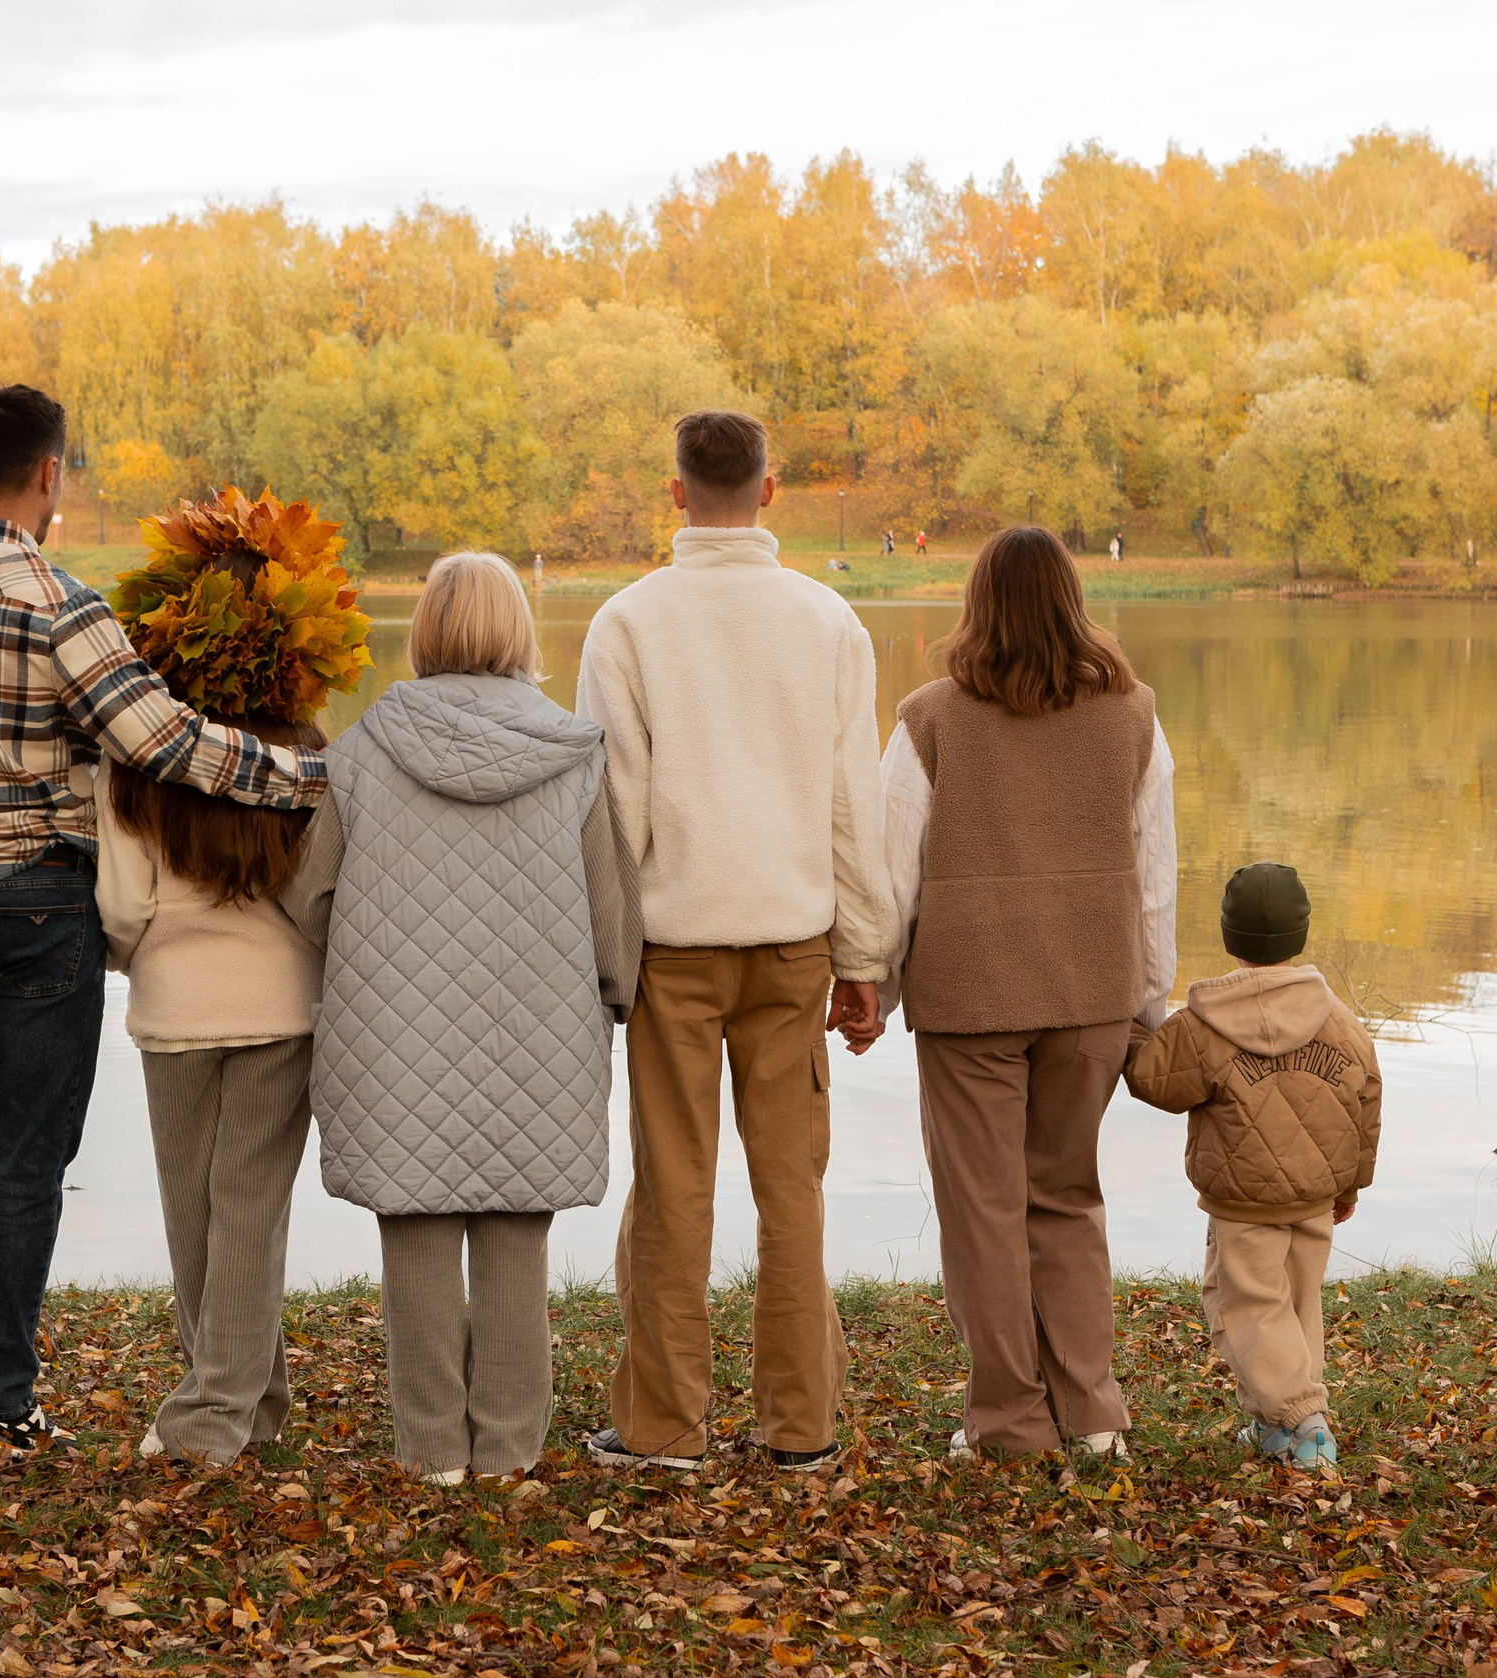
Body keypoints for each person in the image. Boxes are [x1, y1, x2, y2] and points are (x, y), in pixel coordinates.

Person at [0, 385, 325, 1464]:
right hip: (40, 901)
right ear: (49, 475)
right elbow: (164, 742)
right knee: (27, 1157)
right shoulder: (60, 602)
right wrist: (303, 774)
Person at [577, 409, 899, 1474]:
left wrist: (604, 961)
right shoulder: (827, 622)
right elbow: (854, 804)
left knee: (675, 1184)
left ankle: (665, 1426)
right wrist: (864, 957)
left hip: (674, 943)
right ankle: (798, 1422)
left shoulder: (626, 622)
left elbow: (615, 812)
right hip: (794, 941)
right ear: (769, 491)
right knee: (790, 1186)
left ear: (674, 492)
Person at [286, 552, 642, 1484]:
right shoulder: (575, 751)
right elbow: (614, 924)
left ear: (428, 631)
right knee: (517, 1238)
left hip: (395, 1040)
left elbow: (309, 897)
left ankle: (434, 1449)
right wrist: (613, 999)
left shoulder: (361, 751)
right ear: (519, 632)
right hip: (542, 1039)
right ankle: (511, 1448)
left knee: (414, 1236)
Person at [853, 524, 1174, 1463]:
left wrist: (875, 986)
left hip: (970, 1001)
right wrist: (1147, 1001)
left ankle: (1008, 1422)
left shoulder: (928, 720)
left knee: (984, 1211)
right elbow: (1157, 876)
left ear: (977, 605)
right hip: (1092, 994)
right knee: (1067, 1197)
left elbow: (892, 876)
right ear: (1074, 601)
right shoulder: (1137, 717)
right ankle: (1092, 1415)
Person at [95, 487, 369, 1468]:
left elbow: (119, 905)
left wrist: (150, 954)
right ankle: (250, 1399)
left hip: (173, 1006)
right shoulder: (309, 756)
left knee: (197, 1216)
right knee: (248, 1210)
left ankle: (211, 1415)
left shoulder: (132, 764)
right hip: (283, 1004)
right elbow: (330, 882)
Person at [1123, 863, 1381, 1471]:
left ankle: (1304, 1422)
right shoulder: (1344, 1026)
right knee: (1296, 1305)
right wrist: (1351, 1183)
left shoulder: (1205, 1024)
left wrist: (1133, 1028)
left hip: (1242, 1201)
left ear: (1229, 937)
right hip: (1317, 1197)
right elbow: (1366, 1104)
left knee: (1244, 1304)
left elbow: (1152, 1079)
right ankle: (1274, 1428)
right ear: (1301, 934)